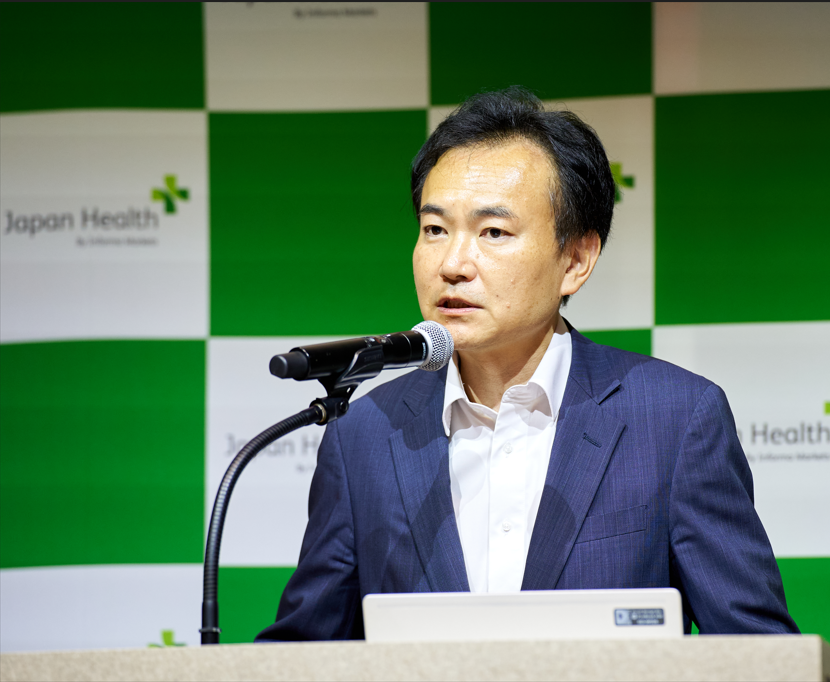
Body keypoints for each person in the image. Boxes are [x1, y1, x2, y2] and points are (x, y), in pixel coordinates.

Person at [258, 87, 798, 640]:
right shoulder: (364, 434)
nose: (453, 264)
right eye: (435, 229)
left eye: (493, 232)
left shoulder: (675, 420)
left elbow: (759, 653)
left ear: (576, 259)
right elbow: (304, 653)